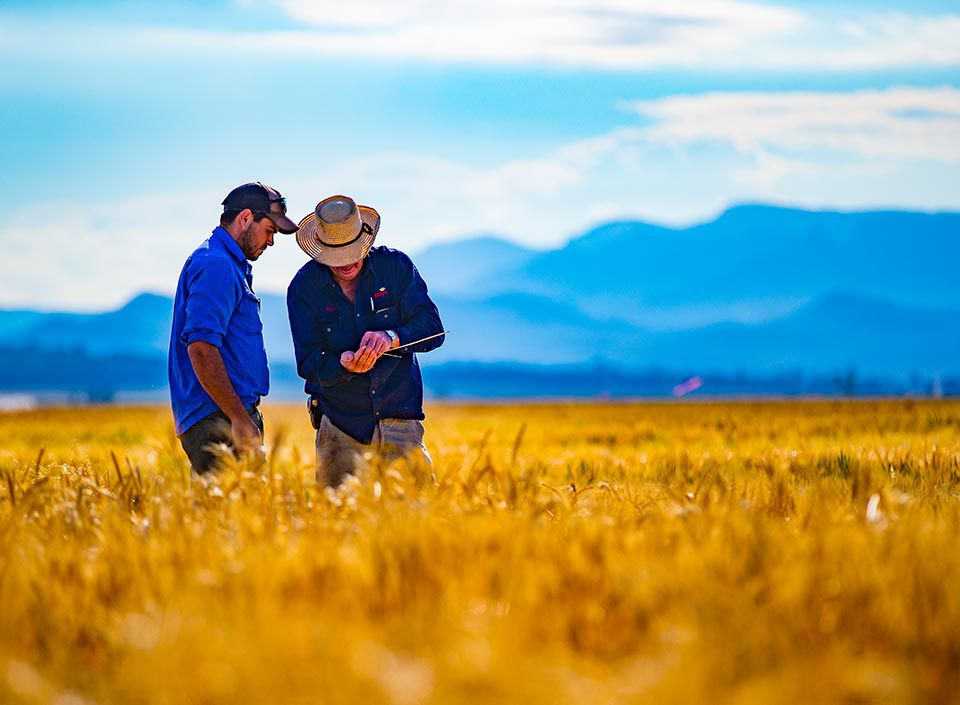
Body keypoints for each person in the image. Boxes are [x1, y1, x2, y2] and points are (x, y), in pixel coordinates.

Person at [287, 195, 445, 486]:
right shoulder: (303, 288)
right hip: (340, 425)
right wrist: (343, 365)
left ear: (365, 242)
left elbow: (432, 328)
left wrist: (391, 338)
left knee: (422, 518)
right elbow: (308, 362)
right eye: (336, 256)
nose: (346, 263)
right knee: (339, 523)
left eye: (352, 253)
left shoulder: (395, 267)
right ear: (321, 251)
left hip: (401, 420)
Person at [168, 182, 298, 473]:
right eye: (270, 231)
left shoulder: (226, 263)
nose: (271, 241)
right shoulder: (217, 265)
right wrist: (239, 418)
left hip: (226, 415)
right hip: (219, 419)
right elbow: (201, 348)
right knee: (229, 513)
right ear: (245, 219)